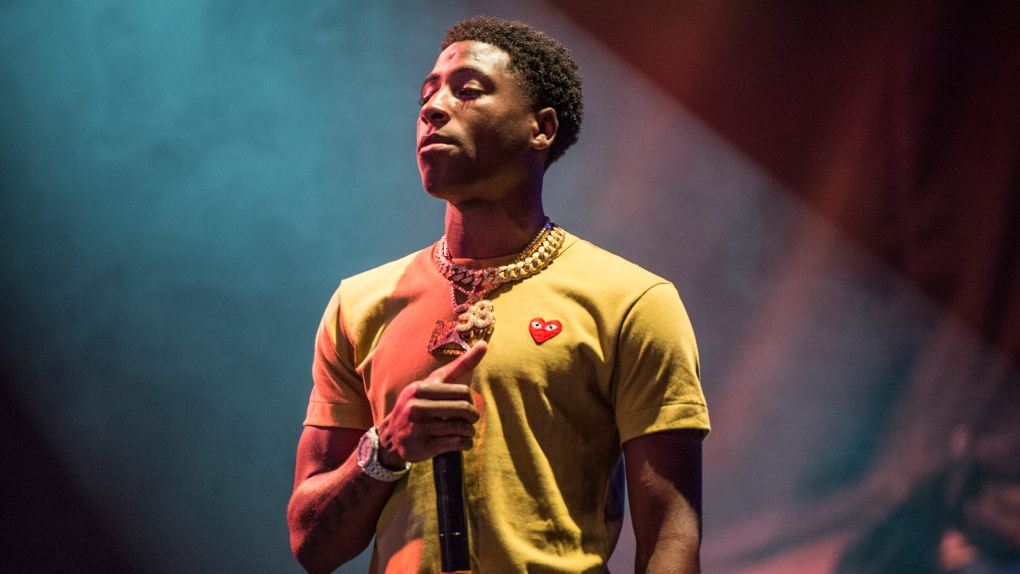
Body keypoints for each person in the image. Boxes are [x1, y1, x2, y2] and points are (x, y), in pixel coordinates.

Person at [287, 16, 710, 574]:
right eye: (427, 93)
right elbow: (311, 546)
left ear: (542, 127)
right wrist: (383, 450)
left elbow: (670, 539)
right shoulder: (359, 305)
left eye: (467, 90)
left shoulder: (633, 302)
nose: (432, 108)